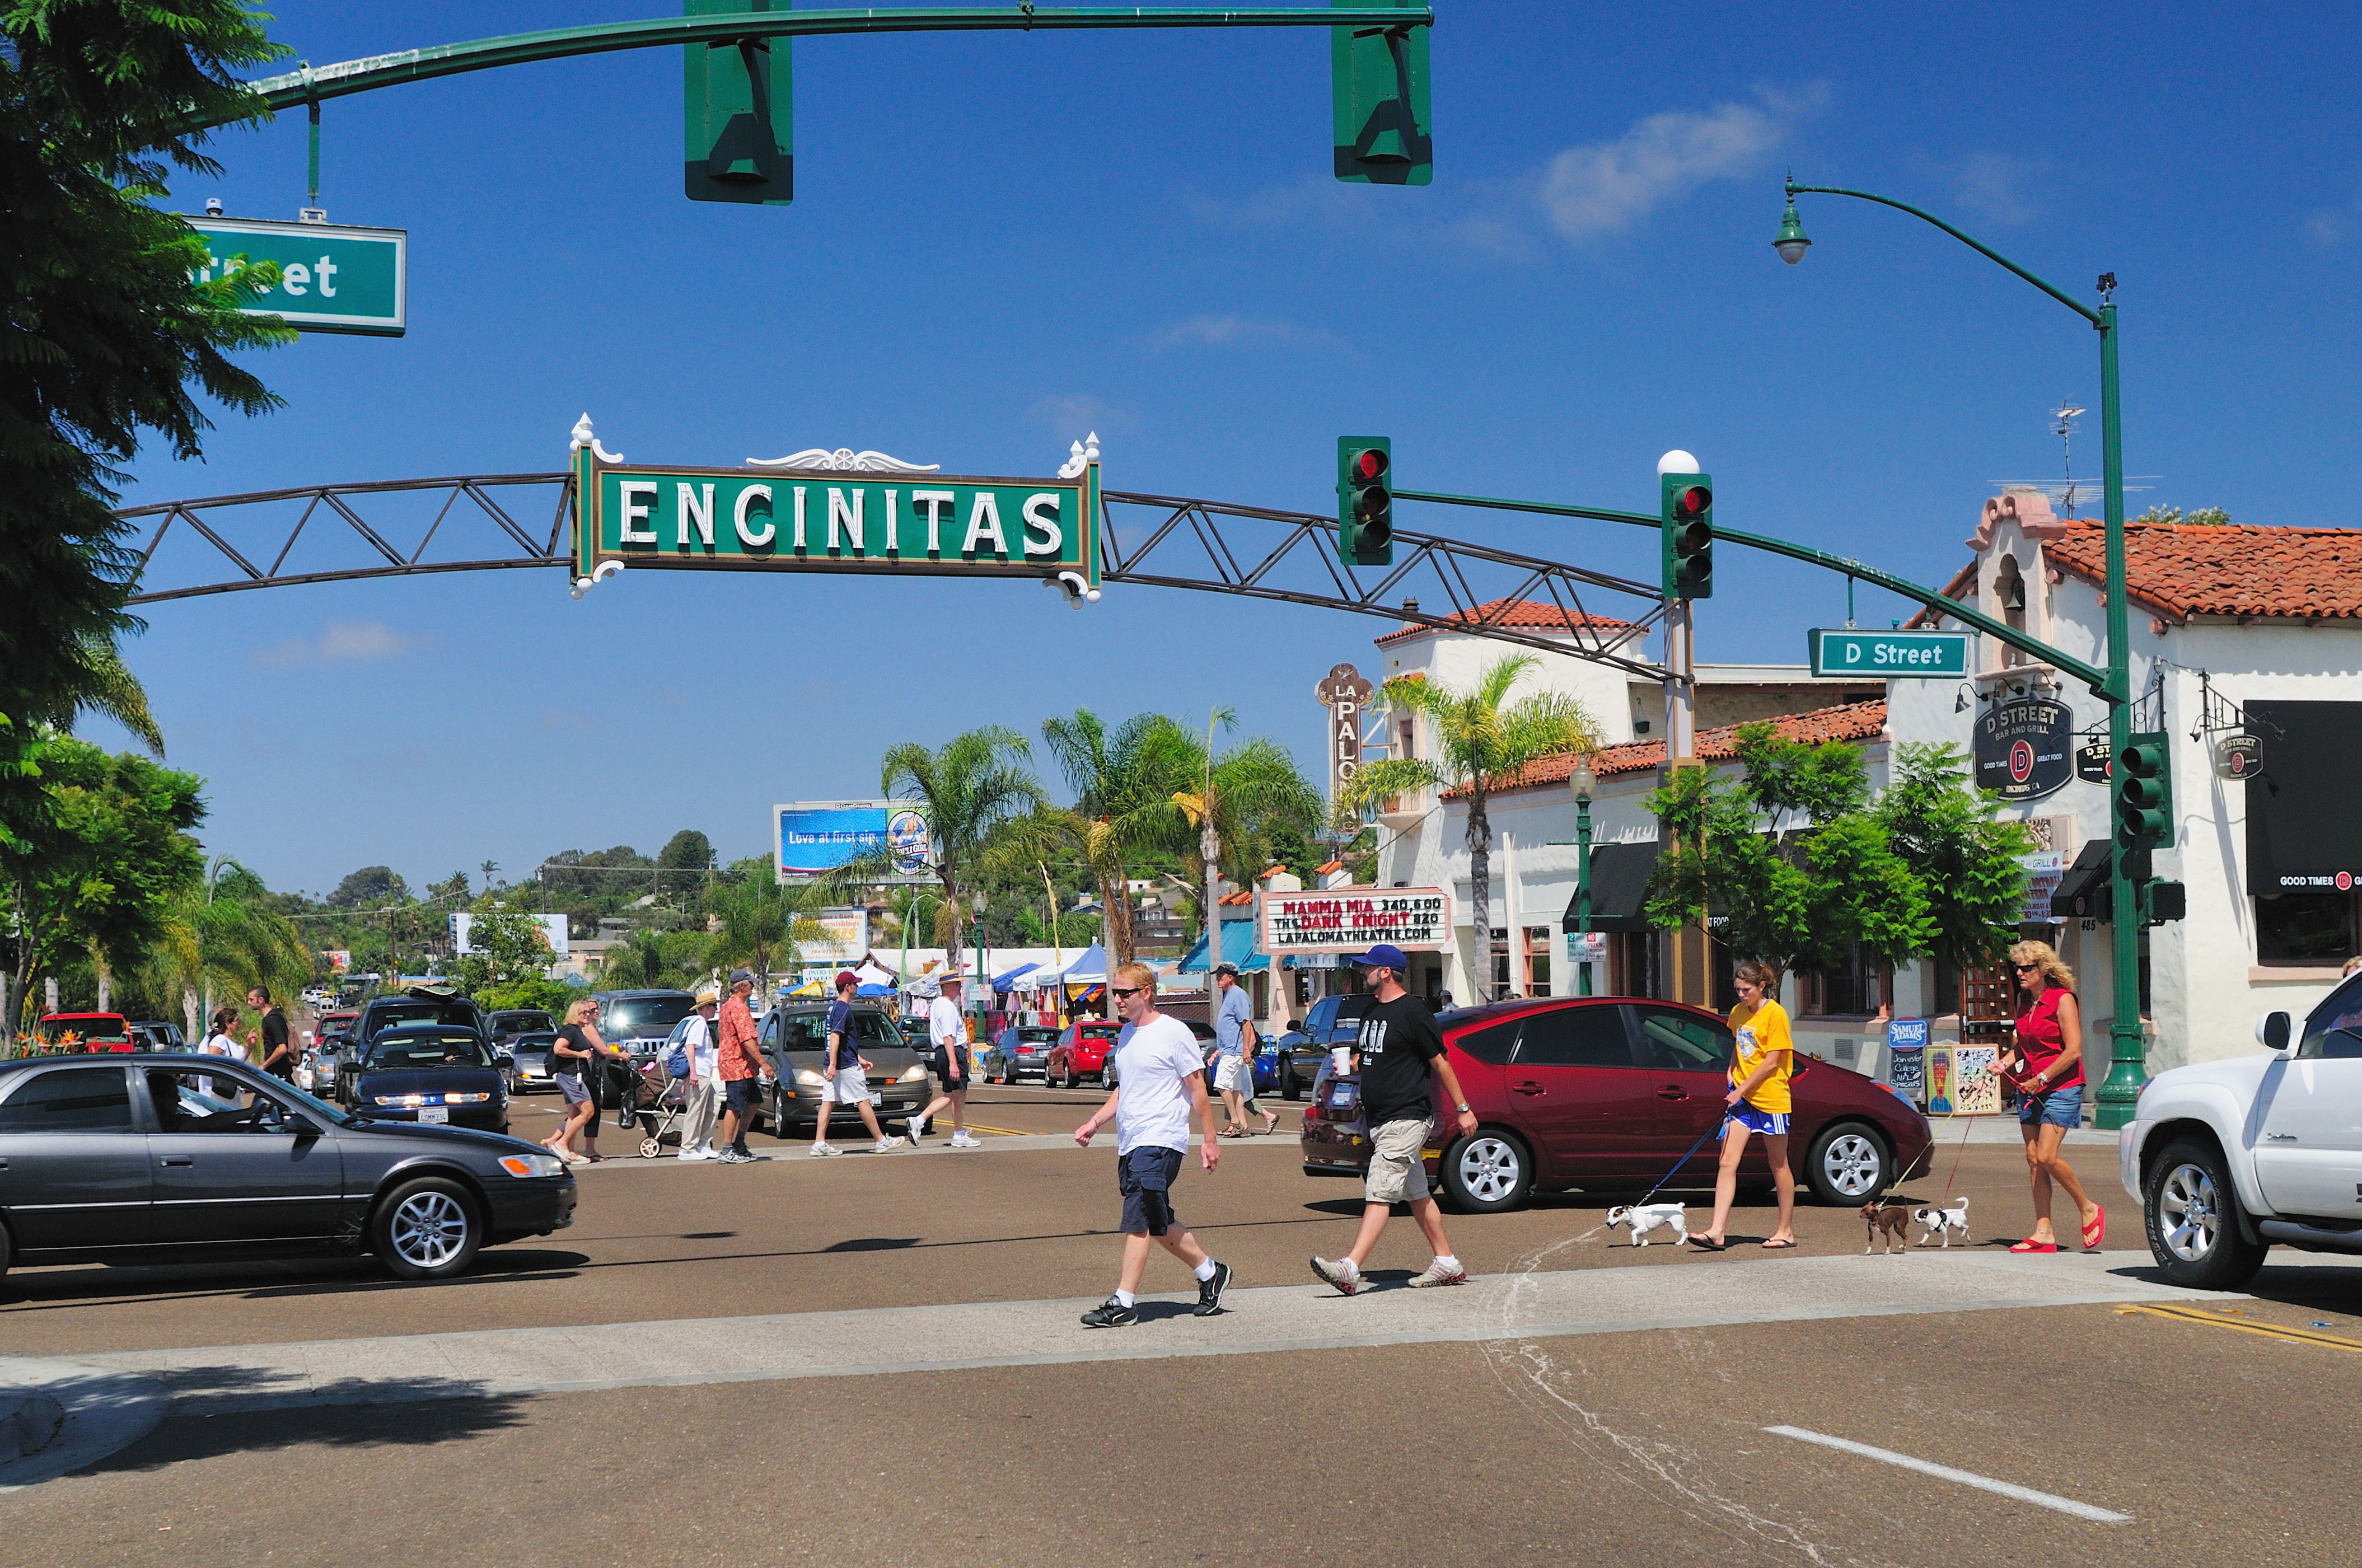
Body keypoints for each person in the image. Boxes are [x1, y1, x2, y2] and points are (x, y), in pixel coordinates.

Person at [1309, 943, 1476, 1294]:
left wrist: (1463, 1110)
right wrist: (1351, 1064)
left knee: (1379, 1191)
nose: (1362, 971)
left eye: (1368, 967)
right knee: (1417, 1193)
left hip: (1408, 1117)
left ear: (1386, 972)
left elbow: (1440, 1062)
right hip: (1381, 1119)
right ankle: (1447, 1262)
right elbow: (1372, 1057)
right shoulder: (1371, 1012)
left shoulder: (1414, 1011)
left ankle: (1350, 1268)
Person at [1073, 962, 1231, 1326]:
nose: (1117, 999)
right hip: (1131, 1141)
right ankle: (1211, 1273)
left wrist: (1210, 1140)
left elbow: (1197, 1089)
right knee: (1157, 1222)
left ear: (1146, 992)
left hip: (1160, 1140)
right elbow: (1124, 1089)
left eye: (1124, 992)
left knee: (1138, 1218)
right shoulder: (1126, 1035)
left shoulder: (1173, 1032)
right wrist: (1095, 1121)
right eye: (1114, 992)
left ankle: (1123, 1302)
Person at [2000, 940, 2103, 1252]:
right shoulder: (2023, 1000)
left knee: (2047, 1155)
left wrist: (2043, 1077)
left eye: (2027, 967)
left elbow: (2074, 1050)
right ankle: (2043, 1232)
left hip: (2061, 1085)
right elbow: (2024, 1045)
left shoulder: (2063, 1000)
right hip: (2028, 1086)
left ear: (2043, 969)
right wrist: (2004, 1062)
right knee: (2034, 1161)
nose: (2020, 972)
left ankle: (2088, 1208)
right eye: (2016, 967)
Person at [1692, 959, 1799, 1251]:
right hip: (1744, 1100)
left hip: (1771, 1099)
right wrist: (1731, 1071)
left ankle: (1785, 1231)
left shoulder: (1776, 1014)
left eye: (1747, 989)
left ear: (1762, 986)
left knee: (1778, 1165)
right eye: (1738, 989)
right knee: (1727, 1161)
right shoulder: (1739, 1013)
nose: (1741, 995)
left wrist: (1740, 1089)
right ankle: (1717, 1231)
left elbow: (1772, 1061)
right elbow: (1739, 1047)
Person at [813, 970, 901, 1157]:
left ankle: (819, 1143)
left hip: (839, 1062)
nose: (857, 987)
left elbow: (843, 1040)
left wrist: (858, 1058)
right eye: (855, 984)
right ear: (848, 987)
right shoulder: (843, 1009)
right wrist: (835, 1065)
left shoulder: (835, 1008)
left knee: (828, 1102)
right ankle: (881, 1141)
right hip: (844, 1066)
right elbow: (835, 1037)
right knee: (863, 1100)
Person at [907, 973, 979, 1149]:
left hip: (945, 1052)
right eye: (956, 984)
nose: (960, 988)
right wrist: (954, 1063)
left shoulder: (938, 1004)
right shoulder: (947, 1006)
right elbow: (948, 1036)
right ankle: (957, 1134)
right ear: (946, 986)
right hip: (951, 1052)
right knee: (958, 1094)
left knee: (952, 1095)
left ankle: (921, 1121)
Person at [545, 998, 618, 1165]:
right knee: (588, 1112)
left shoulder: (577, 1030)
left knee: (574, 1115)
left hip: (572, 1076)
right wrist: (580, 1054)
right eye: (584, 1012)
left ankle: (568, 1152)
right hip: (571, 1076)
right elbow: (559, 1049)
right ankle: (561, 1143)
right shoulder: (570, 1031)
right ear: (574, 1014)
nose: (588, 1014)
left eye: (589, 1012)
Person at [1211, 963, 1278, 1137]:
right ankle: (1243, 1126)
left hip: (1234, 1052)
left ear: (1230, 978)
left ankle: (1235, 1121)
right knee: (1236, 1090)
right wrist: (1219, 1050)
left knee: (1220, 1085)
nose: (1218, 979)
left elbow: (1246, 1023)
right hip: (1228, 1050)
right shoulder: (1229, 996)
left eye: (1221, 976)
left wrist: (1246, 1049)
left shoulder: (1238, 995)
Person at [714, 968, 770, 1164]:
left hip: (743, 1066)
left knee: (755, 1100)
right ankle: (726, 1150)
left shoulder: (728, 1006)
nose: (753, 987)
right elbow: (747, 1040)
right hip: (737, 1065)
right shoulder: (738, 1008)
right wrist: (764, 1064)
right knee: (735, 1107)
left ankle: (739, 1143)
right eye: (750, 984)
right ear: (742, 987)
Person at [676, 985, 722, 1162]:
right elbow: (690, 1048)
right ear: (705, 1008)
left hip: (703, 1074)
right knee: (695, 1110)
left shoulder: (700, 1024)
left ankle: (703, 1143)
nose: (715, 1009)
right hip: (699, 1074)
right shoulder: (699, 1023)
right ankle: (687, 1148)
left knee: (713, 1105)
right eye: (713, 1006)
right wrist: (693, 1073)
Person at [197, 1005, 242, 1099]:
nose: (239, 1023)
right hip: (218, 1095)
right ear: (227, 1023)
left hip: (229, 1094)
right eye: (237, 1020)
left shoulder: (226, 1040)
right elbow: (210, 1063)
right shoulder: (219, 1040)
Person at [248, 986, 293, 1081]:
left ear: (261, 1000)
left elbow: (282, 1048)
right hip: (274, 1073)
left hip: (279, 1074)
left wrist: (264, 1065)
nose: (249, 1003)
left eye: (251, 1000)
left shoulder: (272, 1019)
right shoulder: (269, 1018)